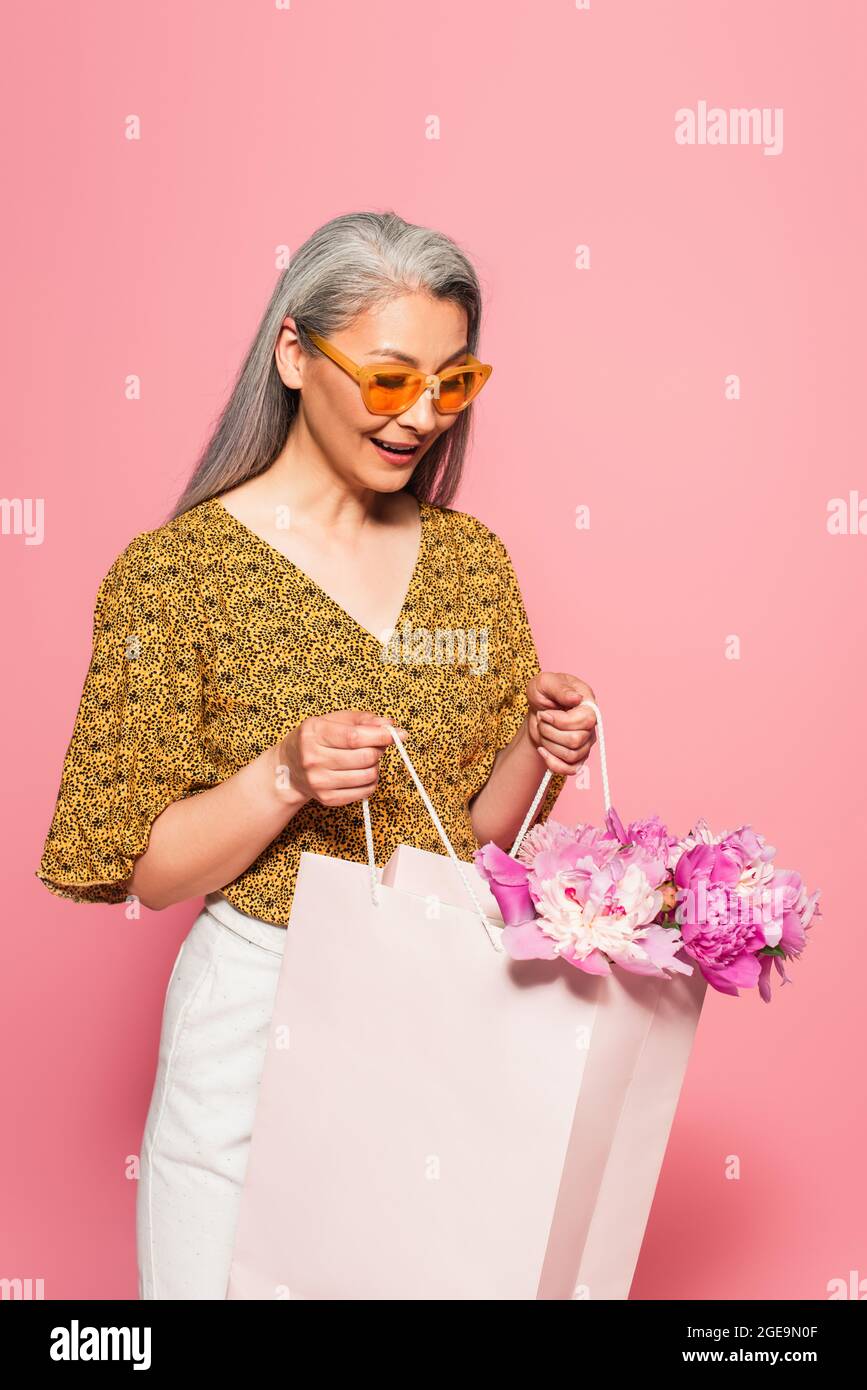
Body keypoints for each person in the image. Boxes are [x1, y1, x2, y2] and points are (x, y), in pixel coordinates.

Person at [35, 209, 598, 1299]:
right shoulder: (175, 577)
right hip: (256, 1007)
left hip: (435, 1001)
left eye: (452, 384)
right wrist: (281, 777)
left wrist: (541, 749)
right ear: (295, 354)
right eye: (389, 381)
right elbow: (147, 872)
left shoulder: (471, 565)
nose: (422, 417)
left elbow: (477, 835)